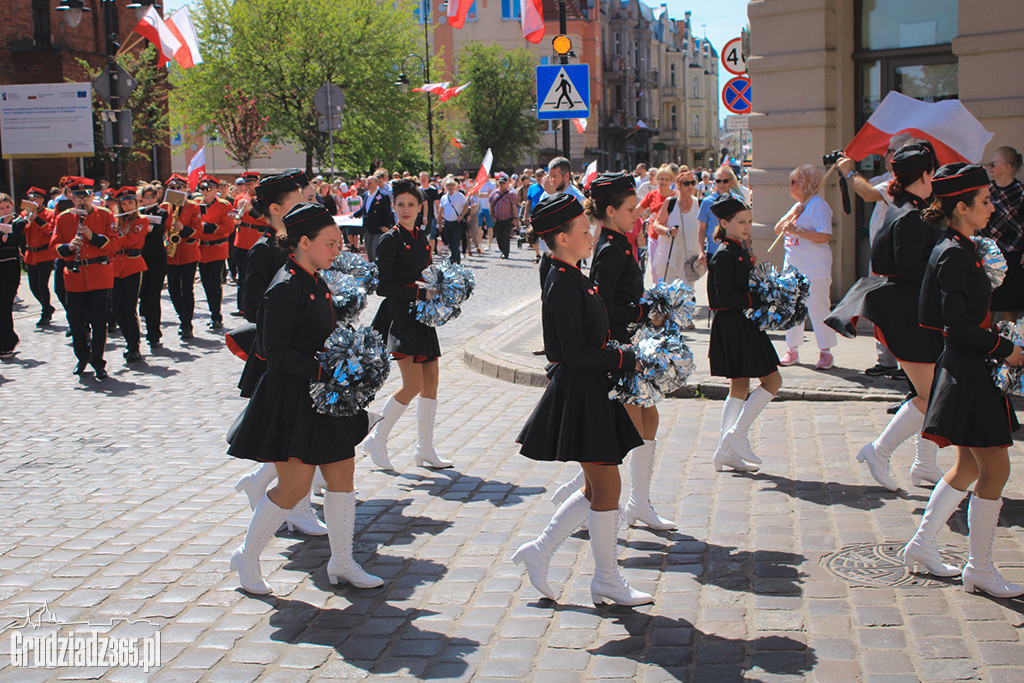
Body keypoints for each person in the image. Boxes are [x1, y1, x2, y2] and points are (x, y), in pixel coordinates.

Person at [227, 202, 379, 595]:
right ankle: (246, 555)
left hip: (323, 397)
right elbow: (273, 351)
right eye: (330, 243)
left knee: (343, 473)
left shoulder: (315, 278)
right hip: (292, 398)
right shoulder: (285, 286)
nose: (337, 250)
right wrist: (323, 369)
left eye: (339, 243)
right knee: (293, 487)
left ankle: (343, 561)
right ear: (304, 242)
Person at [512, 193, 651, 607]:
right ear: (562, 238)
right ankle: (606, 580)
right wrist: (622, 356)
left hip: (591, 389)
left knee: (597, 487)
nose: (590, 234)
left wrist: (619, 351)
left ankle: (540, 551)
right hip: (580, 393)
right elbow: (572, 352)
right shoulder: (561, 281)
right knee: (608, 486)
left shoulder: (573, 274)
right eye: (582, 230)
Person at [903, 163, 1024, 598]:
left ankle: (921, 545)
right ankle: (980, 568)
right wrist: (1005, 349)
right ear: (961, 206)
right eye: (986, 201)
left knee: (970, 465)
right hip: (969, 368)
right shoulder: (953, 252)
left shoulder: (963, 246)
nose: (993, 207)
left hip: (971, 366)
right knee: (996, 468)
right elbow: (956, 325)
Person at [853, 143, 944, 490]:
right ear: (925, 175)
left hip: (913, 311)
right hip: (908, 313)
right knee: (931, 394)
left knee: (934, 392)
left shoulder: (911, 207)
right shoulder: (908, 213)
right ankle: (880, 450)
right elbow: (910, 266)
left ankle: (924, 463)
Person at [364, 180, 452, 470]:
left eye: (410, 204)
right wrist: (418, 292)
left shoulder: (422, 237)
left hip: (423, 316)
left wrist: (440, 287)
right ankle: (377, 437)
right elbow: (383, 287)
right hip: (400, 317)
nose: (405, 209)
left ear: (420, 208)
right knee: (412, 384)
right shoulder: (389, 240)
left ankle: (424, 449)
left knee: (431, 383)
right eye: (400, 204)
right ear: (394, 207)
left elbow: (424, 274)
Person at [707, 195, 782, 472]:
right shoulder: (725, 253)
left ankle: (724, 451)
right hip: (735, 325)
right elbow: (722, 297)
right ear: (724, 223)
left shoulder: (738, 250)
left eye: (749, 221)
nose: (747, 226)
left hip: (741, 324)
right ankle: (736, 435)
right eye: (741, 222)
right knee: (772, 380)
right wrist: (757, 297)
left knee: (739, 388)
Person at [838, 134, 916, 376]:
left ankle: (907, 362)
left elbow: (869, 193)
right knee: (881, 310)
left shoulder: (904, 180)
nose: (885, 154)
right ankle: (887, 360)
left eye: (890, 150)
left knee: (899, 311)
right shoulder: (889, 178)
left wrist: (850, 172)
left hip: (895, 257)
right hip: (882, 254)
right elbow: (869, 186)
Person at [50, 178, 118, 378]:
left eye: (86, 196)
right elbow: (53, 247)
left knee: (99, 321)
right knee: (76, 320)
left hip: (99, 273)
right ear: (71, 197)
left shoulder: (105, 215)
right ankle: (82, 356)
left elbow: (114, 244)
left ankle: (98, 360)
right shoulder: (63, 218)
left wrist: (92, 236)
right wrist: (68, 247)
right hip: (74, 276)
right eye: (78, 197)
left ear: (92, 196)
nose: (82, 201)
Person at [774, 164, 838, 370]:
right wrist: (790, 217)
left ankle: (826, 351)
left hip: (814, 265)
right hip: (793, 264)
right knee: (791, 306)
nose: (790, 185)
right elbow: (778, 230)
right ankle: (792, 349)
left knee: (818, 307)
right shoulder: (798, 206)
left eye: (794, 182)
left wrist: (797, 230)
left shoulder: (818, 205)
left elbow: (824, 236)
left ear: (804, 185)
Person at [979, 145, 1024, 322]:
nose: (990, 167)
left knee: (1008, 306)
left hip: (1013, 255)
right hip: (988, 252)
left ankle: (1013, 346)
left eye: (994, 163)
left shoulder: (1021, 192)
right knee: (986, 305)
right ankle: (986, 347)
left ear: (1008, 166)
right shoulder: (986, 191)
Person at [109, 187, 148, 363]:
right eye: (123, 204)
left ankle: (134, 346)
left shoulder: (142, 220)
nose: (126, 207)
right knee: (117, 308)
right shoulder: (117, 221)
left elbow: (132, 240)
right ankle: (128, 340)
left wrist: (115, 238)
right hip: (116, 267)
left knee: (129, 307)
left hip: (133, 265)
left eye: (130, 203)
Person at [163, 175, 202, 340]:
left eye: (180, 187)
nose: (177, 190)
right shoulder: (164, 207)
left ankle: (187, 324)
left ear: (186, 189)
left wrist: (183, 228)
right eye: (173, 187)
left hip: (188, 253)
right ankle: (182, 317)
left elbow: (198, 230)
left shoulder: (193, 207)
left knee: (187, 289)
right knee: (173, 290)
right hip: (170, 254)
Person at [196, 176, 236, 330]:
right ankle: (213, 313)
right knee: (206, 284)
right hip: (201, 249)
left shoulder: (224, 205)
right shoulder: (197, 205)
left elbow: (229, 227)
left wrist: (209, 227)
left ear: (216, 190)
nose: (205, 192)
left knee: (214, 283)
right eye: (203, 189)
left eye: (208, 189)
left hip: (217, 249)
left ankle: (216, 315)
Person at [652, 168, 703, 287]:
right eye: (686, 183)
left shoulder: (699, 204)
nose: (690, 186)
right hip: (670, 258)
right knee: (670, 294)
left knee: (687, 295)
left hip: (690, 260)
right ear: (678, 186)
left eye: (692, 183)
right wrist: (668, 231)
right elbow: (656, 224)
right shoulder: (671, 203)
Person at [18, 187, 56, 328]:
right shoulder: (24, 214)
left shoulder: (49, 213)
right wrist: (25, 221)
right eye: (30, 200)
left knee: (42, 284)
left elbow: (50, 231)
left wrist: (36, 220)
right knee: (33, 286)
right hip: (31, 254)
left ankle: (45, 312)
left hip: (45, 253)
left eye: (35, 199)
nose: (32, 202)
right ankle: (47, 306)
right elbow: (21, 233)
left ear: (42, 200)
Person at [137, 184, 169, 349]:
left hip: (157, 258)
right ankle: (145, 327)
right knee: (143, 296)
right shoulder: (138, 213)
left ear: (157, 198)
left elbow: (157, 231)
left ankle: (154, 333)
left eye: (152, 197)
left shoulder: (162, 212)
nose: (149, 200)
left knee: (153, 296)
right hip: (141, 259)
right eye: (146, 197)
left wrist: (145, 228)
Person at [231, 171, 266, 317]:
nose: (247, 187)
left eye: (250, 184)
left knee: (256, 276)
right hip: (241, 239)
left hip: (256, 239)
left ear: (257, 182)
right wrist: (234, 218)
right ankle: (242, 307)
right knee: (242, 275)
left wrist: (251, 210)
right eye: (245, 184)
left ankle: (256, 305)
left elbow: (267, 221)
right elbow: (233, 216)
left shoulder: (264, 198)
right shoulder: (239, 197)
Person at [698, 166, 745, 257]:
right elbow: (701, 229)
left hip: (735, 251)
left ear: (731, 182)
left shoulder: (739, 201)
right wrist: (701, 251)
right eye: (718, 181)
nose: (721, 184)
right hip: (714, 251)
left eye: (725, 181)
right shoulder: (707, 202)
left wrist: (748, 249)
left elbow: (745, 226)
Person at [0, 193, 24, 358]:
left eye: (7, 207)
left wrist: (4, 237)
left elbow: (14, 241)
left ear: (12, 205)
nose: (5, 210)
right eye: (1, 209)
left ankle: (7, 342)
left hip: (10, 267)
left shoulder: (18, 222)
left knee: (5, 305)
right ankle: (9, 338)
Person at [353, 175, 392, 261]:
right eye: (367, 183)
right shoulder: (365, 195)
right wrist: (353, 215)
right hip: (368, 228)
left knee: (376, 251)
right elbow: (364, 210)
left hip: (379, 228)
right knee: (369, 251)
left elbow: (388, 213)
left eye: (370, 183)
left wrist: (387, 226)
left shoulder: (383, 196)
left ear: (376, 184)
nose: (368, 185)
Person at [489, 173, 519, 259]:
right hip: (497, 219)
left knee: (506, 236)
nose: (502, 184)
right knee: (499, 236)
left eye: (503, 183)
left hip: (507, 218)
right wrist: (492, 216)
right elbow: (491, 205)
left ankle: (505, 253)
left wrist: (515, 218)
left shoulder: (511, 194)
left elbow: (514, 207)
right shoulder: (494, 193)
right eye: (500, 183)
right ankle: (502, 250)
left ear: (507, 183)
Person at [439, 176, 468, 264]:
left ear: (455, 186)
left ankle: (454, 259)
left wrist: (462, 215)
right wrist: (439, 223)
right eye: (448, 185)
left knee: (455, 241)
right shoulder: (444, 197)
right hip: (447, 222)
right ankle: (455, 258)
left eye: (452, 185)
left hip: (457, 222)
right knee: (450, 242)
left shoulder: (459, 196)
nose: (450, 187)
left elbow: (466, 206)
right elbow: (440, 211)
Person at [476, 174, 495, 252]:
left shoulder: (492, 184)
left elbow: (491, 194)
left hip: (489, 207)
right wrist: (485, 194)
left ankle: (489, 244)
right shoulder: (479, 183)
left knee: (489, 227)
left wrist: (482, 194)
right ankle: (479, 244)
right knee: (479, 227)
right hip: (480, 208)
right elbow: (477, 194)